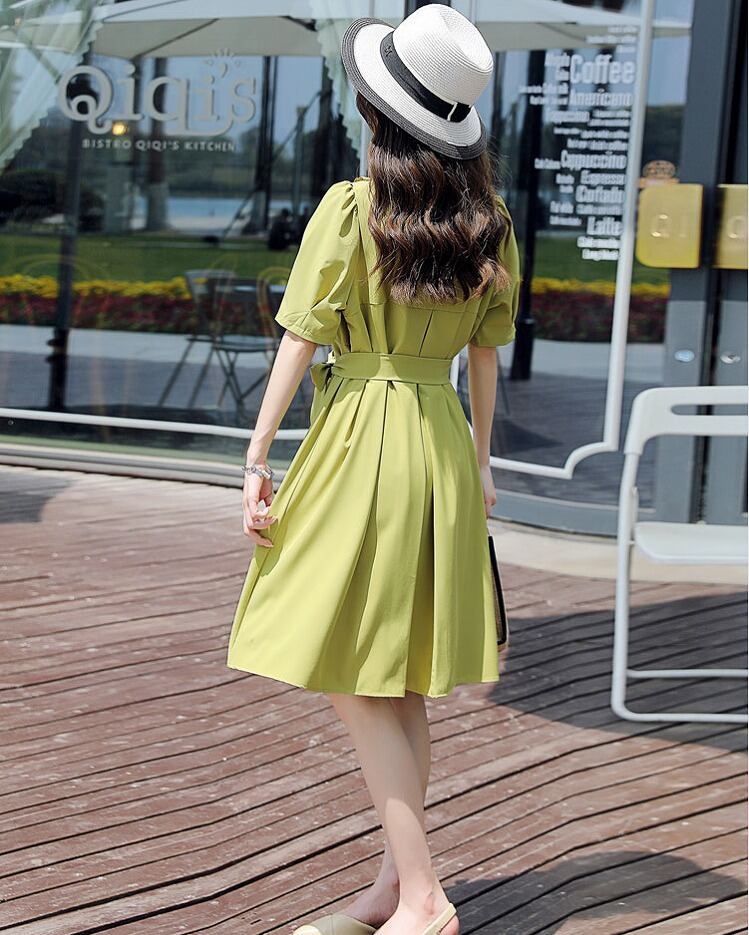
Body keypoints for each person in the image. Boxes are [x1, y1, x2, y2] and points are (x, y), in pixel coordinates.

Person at [226, 6, 521, 934]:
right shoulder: (490, 225)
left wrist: (257, 453)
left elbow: (300, 334)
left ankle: (424, 895)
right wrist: (480, 465)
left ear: (378, 113)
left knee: (348, 663)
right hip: (439, 442)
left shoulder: (353, 209)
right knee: (393, 672)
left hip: (360, 435)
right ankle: (395, 887)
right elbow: (484, 356)